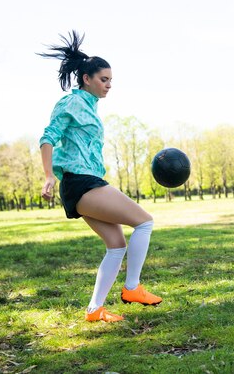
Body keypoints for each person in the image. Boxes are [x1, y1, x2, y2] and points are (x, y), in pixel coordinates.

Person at [38, 31, 161, 323]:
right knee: (144, 221)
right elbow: (47, 137)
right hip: (81, 182)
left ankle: (95, 310)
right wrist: (48, 176)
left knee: (116, 246)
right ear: (86, 78)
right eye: (104, 80)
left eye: (110, 81)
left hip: (87, 181)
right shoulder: (71, 103)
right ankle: (132, 288)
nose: (108, 86)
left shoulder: (91, 107)